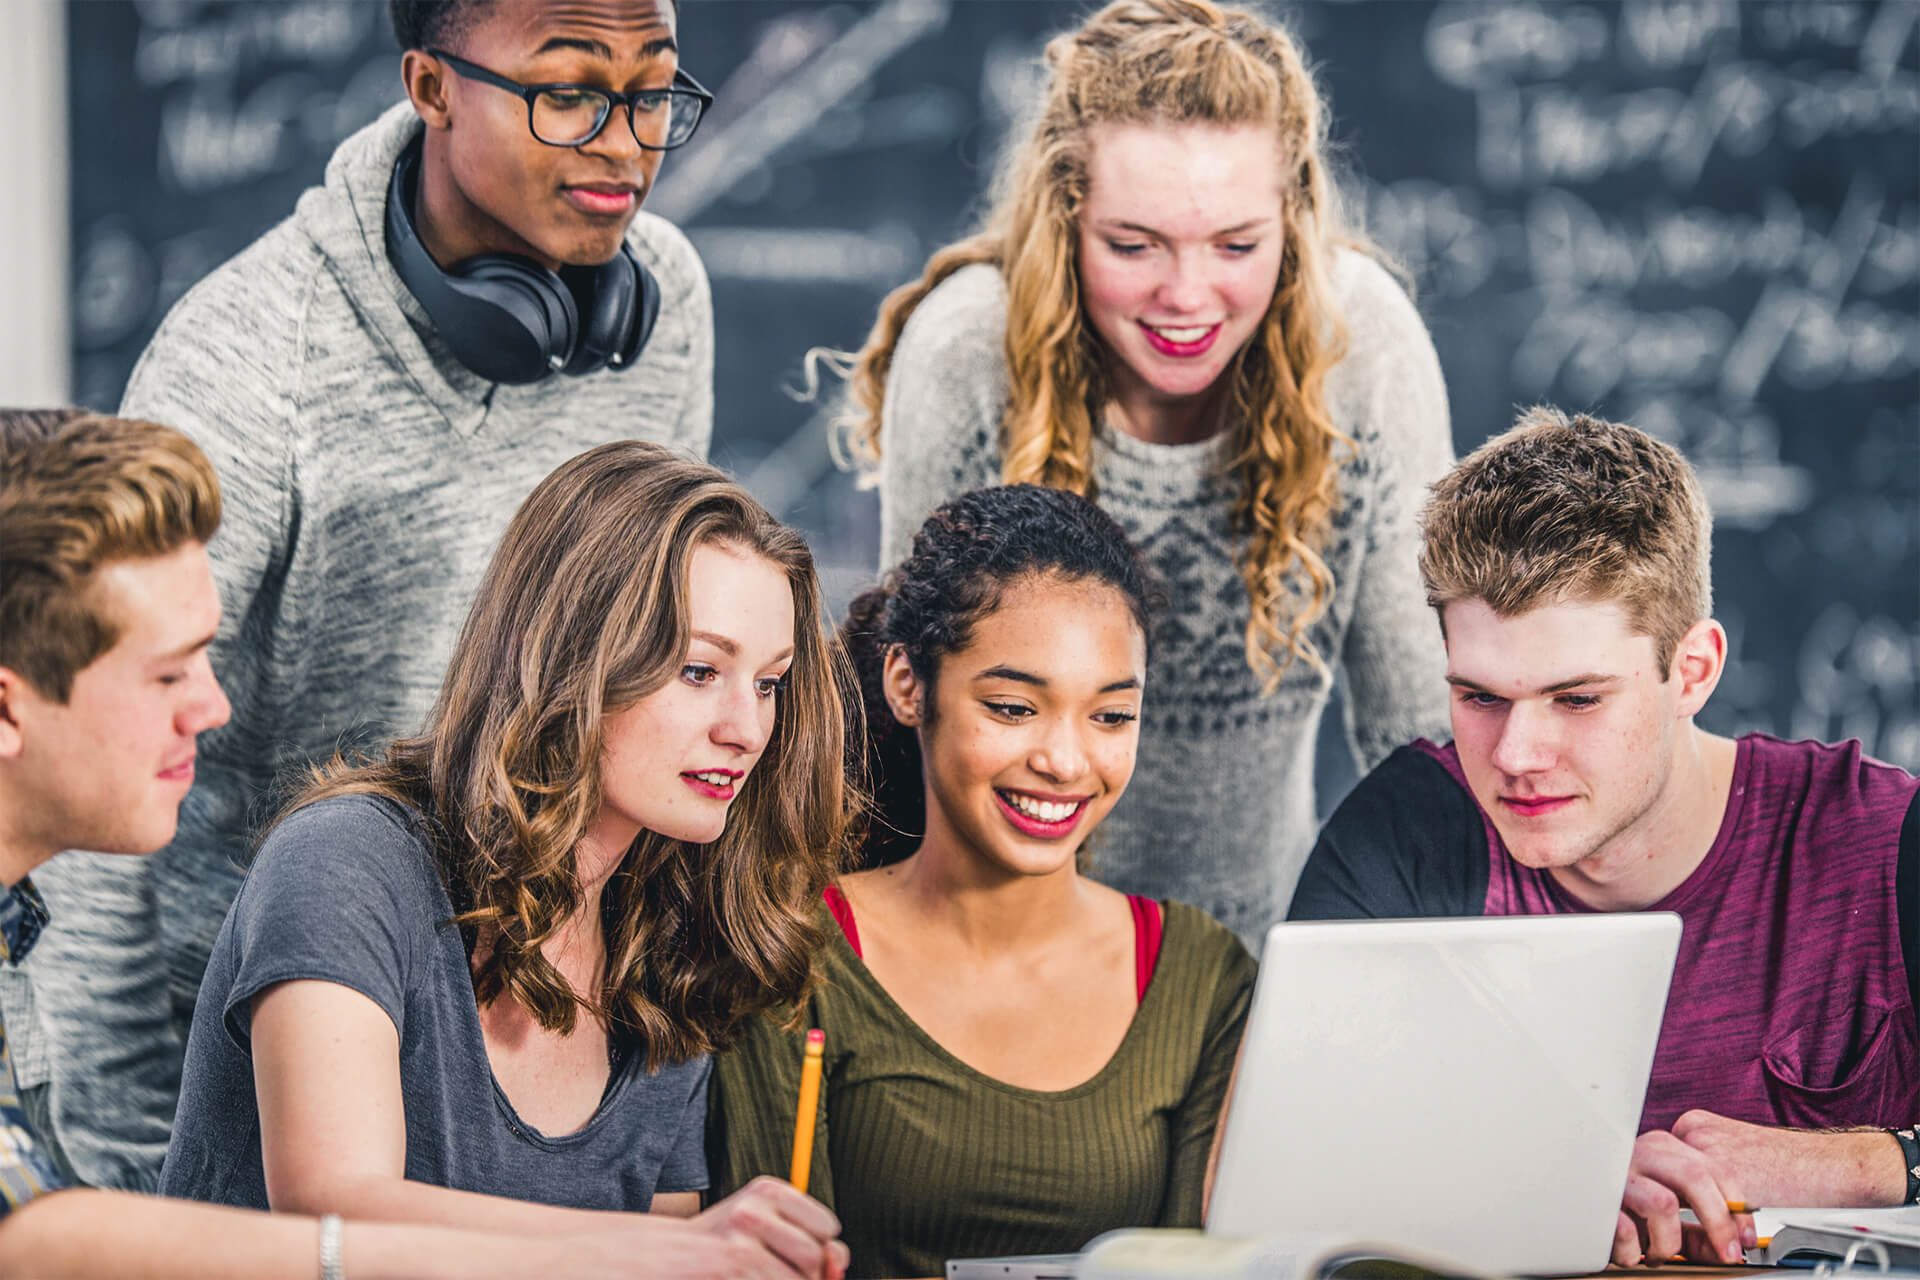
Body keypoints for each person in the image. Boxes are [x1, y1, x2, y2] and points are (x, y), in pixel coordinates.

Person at [22, 0, 720, 1191]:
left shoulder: (661, 300)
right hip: (268, 1051)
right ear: (430, 84)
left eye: (655, 90)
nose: (625, 141)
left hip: (544, 1037)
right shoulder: (245, 361)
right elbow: (89, 771)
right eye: (569, 92)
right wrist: (132, 1158)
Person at [0, 409, 840, 1279]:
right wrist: (673, 1250)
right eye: (700, 671)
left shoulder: (668, 926)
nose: (749, 728)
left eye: (772, 684)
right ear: (568, 661)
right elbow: (335, 1204)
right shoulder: (349, 859)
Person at [832, 0, 1453, 938]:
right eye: (1133, 246)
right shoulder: (966, 348)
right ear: (1066, 214)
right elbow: (915, 725)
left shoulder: (1362, 345)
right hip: (1004, 955)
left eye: (1238, 246)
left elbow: (1422, 737)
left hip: (1261, 965)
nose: (1187, 296)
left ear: (1294, 219)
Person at [1288, 407, 1920, 1267]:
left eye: (1577, 700)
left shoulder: (1886, 842)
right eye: (1479, 697)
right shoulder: (1408, 831)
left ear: (1691, 671)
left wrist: (1862, 1163)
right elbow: (1286, 1175)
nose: (1516, 755)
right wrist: (1545, 1178)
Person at [709, 485, 1256, 1280]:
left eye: (1110, 717)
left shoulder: (1203, 977)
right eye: (1012, 707)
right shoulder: (792, 956)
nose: (1065, 762)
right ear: (908, 685)